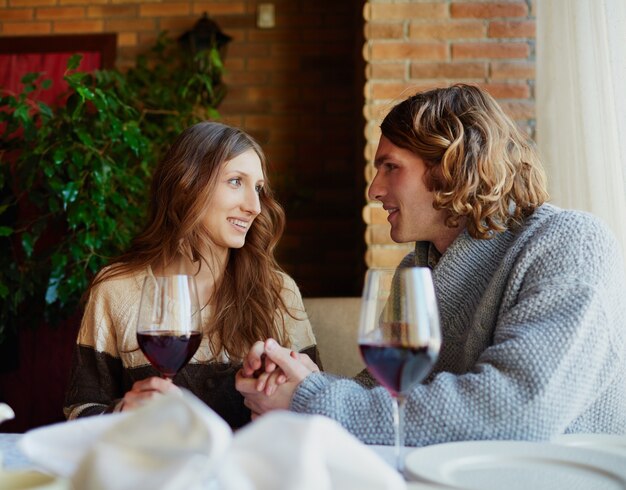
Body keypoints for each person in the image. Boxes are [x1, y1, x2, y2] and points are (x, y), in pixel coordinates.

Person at [236, 84, 626, 445]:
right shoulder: (416, 272)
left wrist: (312, 400)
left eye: (391, 167)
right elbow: (387, 395)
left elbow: (519, 410)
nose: (374, 189)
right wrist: (301, 379)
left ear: (450, 166)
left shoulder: (570, 243)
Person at [64, 121, 319, 429]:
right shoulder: (116, 290)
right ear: (187, 184)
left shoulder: (279, 291)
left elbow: (320, 406)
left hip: (255, 474)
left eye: (259, 188)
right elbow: (79, 409)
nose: (254, 206)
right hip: (159, 473)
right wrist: (122, 413)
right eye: (236, 181)